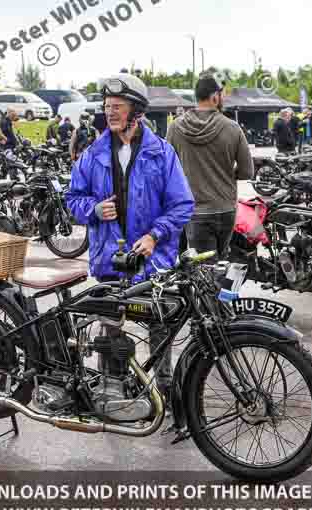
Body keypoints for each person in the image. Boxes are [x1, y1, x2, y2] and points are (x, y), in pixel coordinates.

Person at [66, 73, 194, 404]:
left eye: (118, 107)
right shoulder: (92, 154)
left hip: (152, 262)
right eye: (107, 106)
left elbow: (182, 205)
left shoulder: (162, 153)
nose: (110, 113)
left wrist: (155, 235)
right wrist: (93, 209)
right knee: (110, 330)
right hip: (110, 260)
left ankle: (165, 394)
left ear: (136, 111)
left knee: (160, 329)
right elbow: (72, 200)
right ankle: (110, 393)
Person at [167, 74, 253, 261]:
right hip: (225, 209)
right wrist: (225, 174)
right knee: (220, 264)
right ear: (215, 97)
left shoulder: (175, 128)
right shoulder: (232, 128)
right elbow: (247, 171)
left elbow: (167, 171)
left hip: (195, 211)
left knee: (204, 270)